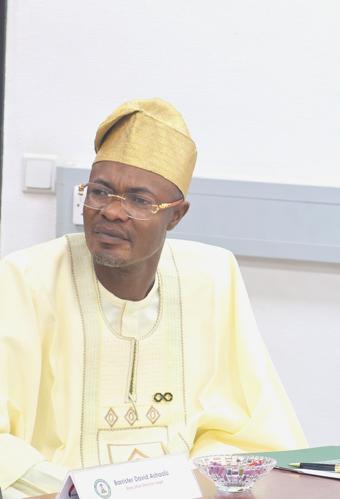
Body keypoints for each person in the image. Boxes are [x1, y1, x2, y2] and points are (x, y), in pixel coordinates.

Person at [0, 98, 307, 497]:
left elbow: (248, 430)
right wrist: (76, 489)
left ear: (176, 215)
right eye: (100, 192)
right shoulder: (26, 278)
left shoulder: (211, 277)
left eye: (139, 200)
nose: (112, 212)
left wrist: (190, 483)